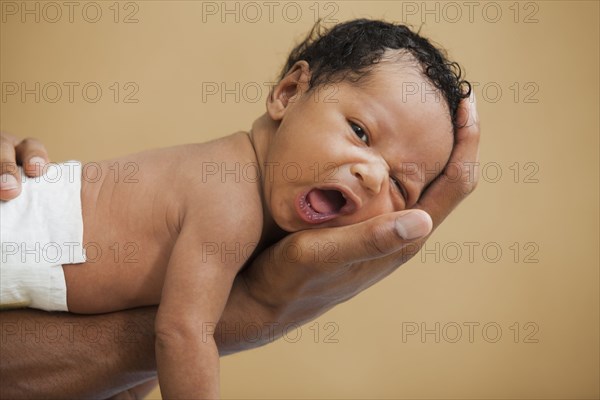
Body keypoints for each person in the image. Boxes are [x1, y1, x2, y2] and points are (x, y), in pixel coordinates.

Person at [0, 19, 480, 399]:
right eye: (359, 131)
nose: (373, 175)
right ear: (288, 93)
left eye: (399, 182)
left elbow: (153, 331)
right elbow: (183, 333)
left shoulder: (248, 215)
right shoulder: (231, 198)